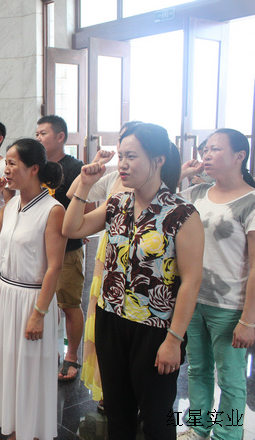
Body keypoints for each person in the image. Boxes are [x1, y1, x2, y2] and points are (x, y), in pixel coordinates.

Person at [62, 123, 204, 439]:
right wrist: (84, 185)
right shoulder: (118, 203)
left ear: (158, 159)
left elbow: (191, 282)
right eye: (121, 156)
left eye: (132, 156)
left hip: (155, 328)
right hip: (111, 319)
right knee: (118, 411)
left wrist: (174, 340)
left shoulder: (182, 214)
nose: (123, 164)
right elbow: (71, 229)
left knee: (156, 418)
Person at [0, 138, 65, 440]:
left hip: (32, 299)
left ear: (34, 168)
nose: (6, 169)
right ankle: (14, 430)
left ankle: (32, 432)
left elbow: (54, 267)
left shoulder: (53, 210)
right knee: (8, 364)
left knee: (30, 370)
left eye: (12, 163)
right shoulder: (12, 204)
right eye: (7, 164)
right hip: (6, 293)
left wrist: (39, 314)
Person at [176, 129, 255, 440]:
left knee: (231, 379)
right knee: (197, 370)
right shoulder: (196, 194)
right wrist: (182, 174)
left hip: (230, 307)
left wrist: (248, 320)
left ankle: (228, 435)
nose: (206, 155)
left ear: (239, 156)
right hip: (194, 300)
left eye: (215, 149)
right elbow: (160, 197)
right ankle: (198, 428)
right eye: (205, 149)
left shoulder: (251, 202)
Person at [66, 120, 141, 412]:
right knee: (105, 327)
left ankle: (133, 394)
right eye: (121, 150)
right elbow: (74, 194)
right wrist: (92, 169)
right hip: (109, 260)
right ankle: (108, 387)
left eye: (130, 152)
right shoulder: (113, 179)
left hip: (140, 268)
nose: (123, 159)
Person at [36, 115, 85, 382]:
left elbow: (86, 206)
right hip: (40, 248)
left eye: (43, 133)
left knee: (68, 304)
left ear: (60, 136)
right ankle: (50, 351)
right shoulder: (39, 167)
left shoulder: (75, 167)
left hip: (67, 249)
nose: (38, 138)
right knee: (45, 302)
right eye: (37, 134)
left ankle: (72, 355)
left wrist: (80, 232)